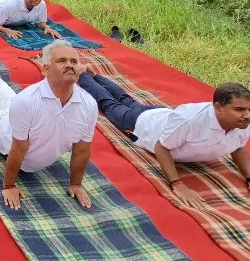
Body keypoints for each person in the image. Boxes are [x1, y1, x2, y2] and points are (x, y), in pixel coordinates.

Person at [69, 64, 250, 209]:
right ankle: (84, 74)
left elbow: (238, 146)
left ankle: (96, 76)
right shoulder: (191, 121)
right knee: (110, 105)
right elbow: (161, 147)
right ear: (218, 107)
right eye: (239, 110)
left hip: (162, 115)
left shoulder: (242, 123)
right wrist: (177, 184)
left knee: (127, 100)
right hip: (140, 124)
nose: (247, 115)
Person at [0, 40, 97, 210]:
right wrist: (9, 186)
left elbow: (82, 149)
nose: (69, 65)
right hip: (4, 132)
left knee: (12, 102)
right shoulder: (28, 101)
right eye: (61, 61)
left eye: (74, 62)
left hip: (20, 113)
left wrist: (76, 185)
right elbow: (18, 148)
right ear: (45, 69)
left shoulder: (88, 104)